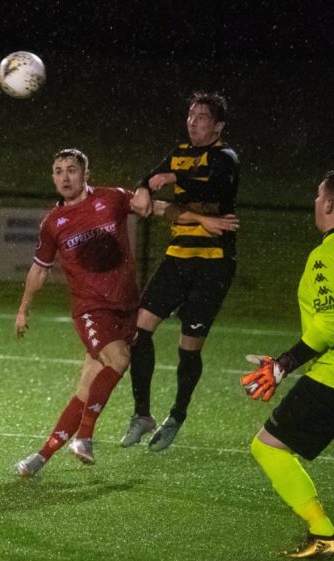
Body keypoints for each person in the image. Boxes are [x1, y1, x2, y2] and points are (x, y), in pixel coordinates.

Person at [240, 170, 334, 559]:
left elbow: (331, 323)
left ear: (328, 204)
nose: (314, 201)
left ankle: (324, 534)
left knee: (268, 447)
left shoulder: (327, 254)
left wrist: (284, 364)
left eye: (317, 195)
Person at [15, 148, 151, 477]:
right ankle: (85, 437)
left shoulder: (112, 198)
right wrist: (23, 310)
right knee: (119, 361)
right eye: (58, 170)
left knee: (86, 390)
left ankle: (40, 458)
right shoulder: (53, 223)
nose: (64, 177)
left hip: (126, 305)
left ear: (85, 173)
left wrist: (189, 214)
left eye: (71, 170)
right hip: (91, 308)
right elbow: (40, 269)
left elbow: (148, 206)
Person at [120, 91, 241, 451]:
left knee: (189, 347)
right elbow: (150, 187)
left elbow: (211, 184)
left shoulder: (226, 157)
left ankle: (176, 416)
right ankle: (142, 415)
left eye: (202, 117)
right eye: (190, 114)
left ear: (218, 126)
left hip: (213, 264)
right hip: (177, 257)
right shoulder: (178, 153)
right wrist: (144, 190)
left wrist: (171, 182)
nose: (193, 121)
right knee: (138, 333)